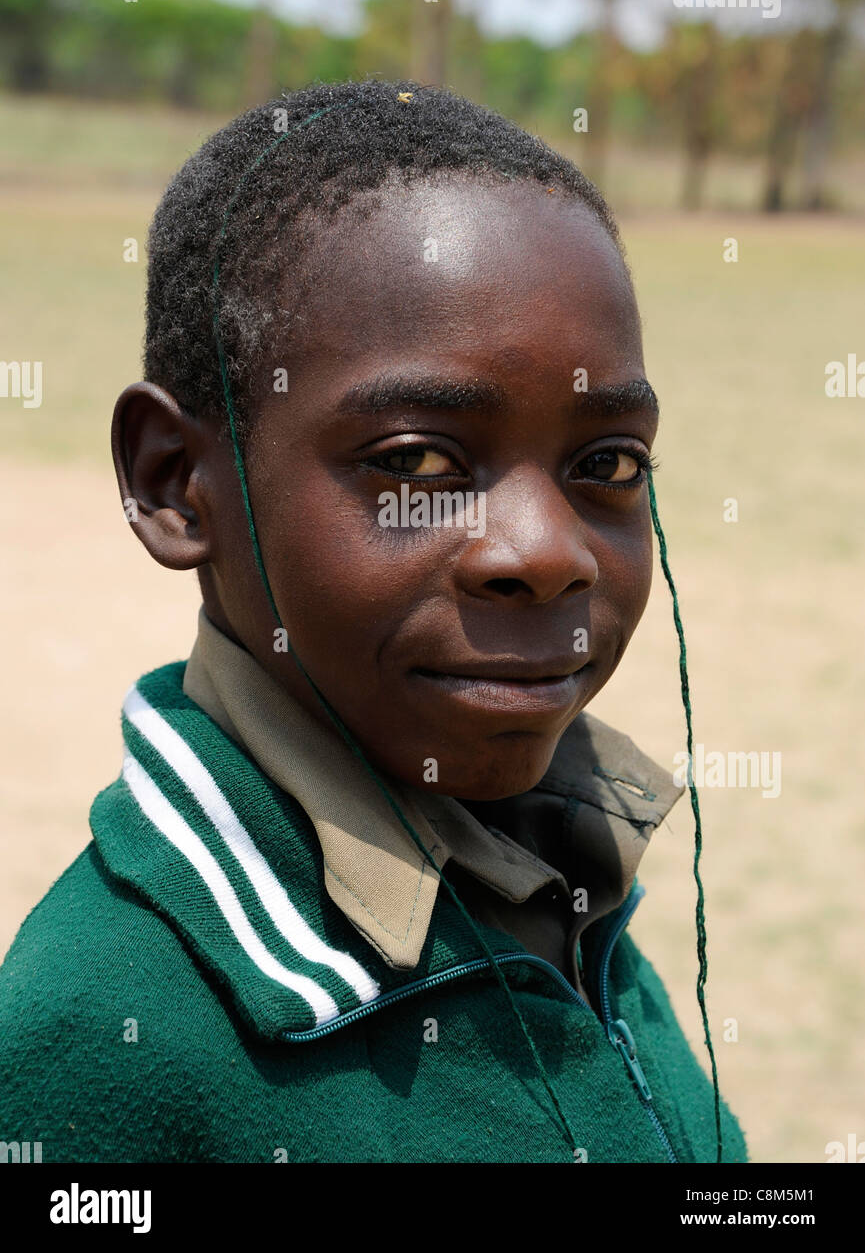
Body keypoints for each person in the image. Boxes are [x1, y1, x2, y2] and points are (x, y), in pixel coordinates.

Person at [0, 79, 747, 1163]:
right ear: (176, 483)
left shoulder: (553, 866)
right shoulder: (107, 1036)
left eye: (606, 464)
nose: (545, 550)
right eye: (415, 463)